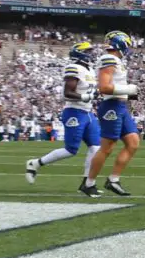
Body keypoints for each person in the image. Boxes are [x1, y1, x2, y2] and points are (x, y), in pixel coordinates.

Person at [25, 42, 100, 186]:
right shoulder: (74, 68)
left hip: (88, 112)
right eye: (88, 51)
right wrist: (85, 97)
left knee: (96, 148)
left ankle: (87, 184)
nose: (91, 54)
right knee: (71, 150)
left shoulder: (89, 69)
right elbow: (67, 93)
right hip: (74, 111)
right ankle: (35, 163)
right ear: (80, 52)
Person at [82, 31, 140, 198]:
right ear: (120, 43)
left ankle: (113, 180)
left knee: (133, 143)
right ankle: (89, 183)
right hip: (111, 107)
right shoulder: (108, 59)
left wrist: (129, 93)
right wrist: (128, 89)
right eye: (126, 44)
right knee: (107, 147)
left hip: (120, 105)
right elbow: (104, 88)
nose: (127, 48)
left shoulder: (116, 61)